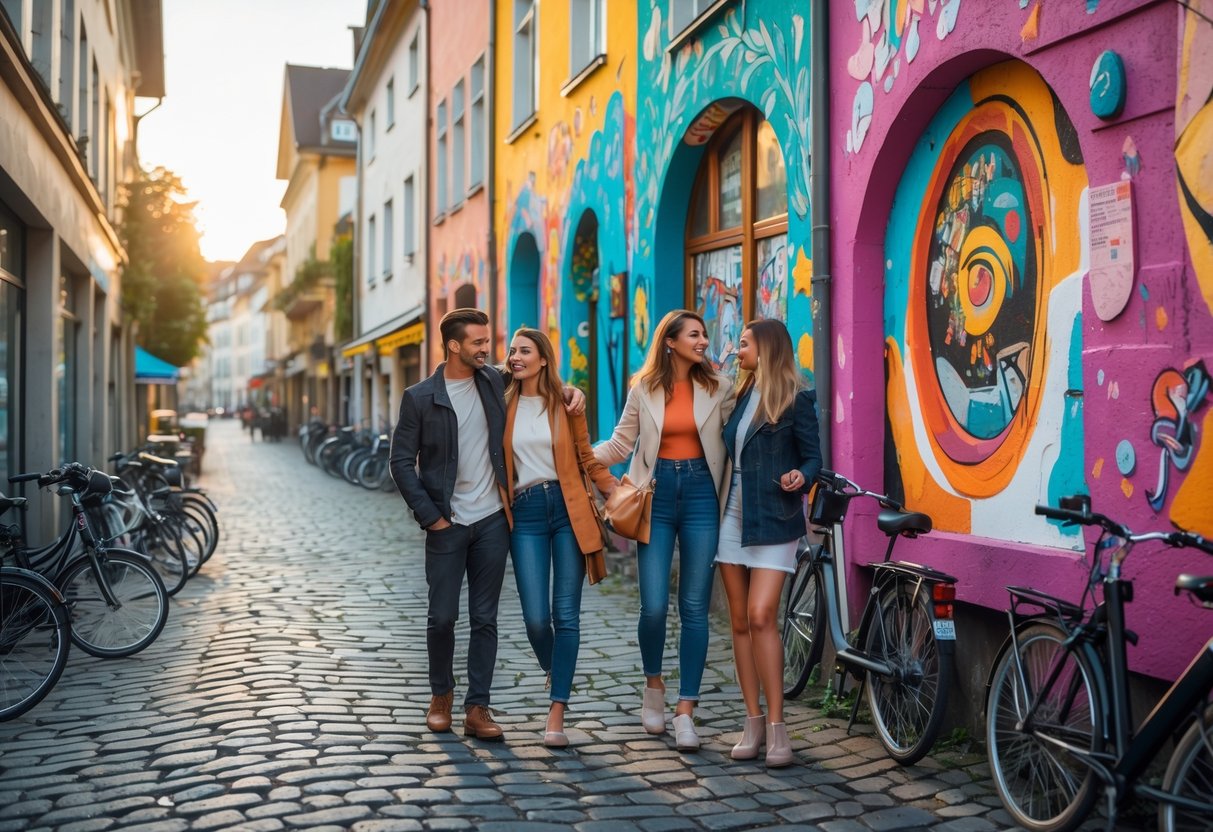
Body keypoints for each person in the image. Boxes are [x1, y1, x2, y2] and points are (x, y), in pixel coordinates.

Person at [389, 308, 584, 742]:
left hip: (493, 520)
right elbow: (400, 463)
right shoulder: (420, 397)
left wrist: (572, 390)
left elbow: (538, 381)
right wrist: (432, 518)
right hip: (447, 524)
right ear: (455, 345)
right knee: (441, 617)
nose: (487, 349)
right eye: (478, 342)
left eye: (487, 341)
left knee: (485, 618)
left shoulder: (494, 382)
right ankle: (441, 695)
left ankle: (477, 707)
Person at [595, 309, 734, 751]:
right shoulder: (644, 389)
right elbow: (620, 444)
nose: (704, 341)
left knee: (694, 606)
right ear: (670, 341)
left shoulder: (721, 388)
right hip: (653, 496)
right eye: (695, 334)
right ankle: (653, 684)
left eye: (705, 335)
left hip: (701, 496)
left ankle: (686, 711)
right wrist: (571, 456)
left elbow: (741, 439)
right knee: (653, 606)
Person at [503, 328, 618, 747]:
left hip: (568, 511)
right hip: (526, 512)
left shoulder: (566, 404)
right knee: (535, 618)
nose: (515, 357)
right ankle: (558, 668)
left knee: (565, 615)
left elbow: (587, 457)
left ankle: (557, 712)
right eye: (512, 351)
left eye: (524, 351)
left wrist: (617, 493)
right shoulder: (502, 402)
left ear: (544, 359)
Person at [717, 319, 821, 767]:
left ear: (767, 347)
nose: (738, 350)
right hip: (731, 512)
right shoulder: (737, 396)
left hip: (776, 515)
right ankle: (752, 720)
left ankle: (779, 727)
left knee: (762, 615)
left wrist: (803, 477)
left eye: (744, 344)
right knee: (739, 620)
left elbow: (814, 457)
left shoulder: (797, 398)